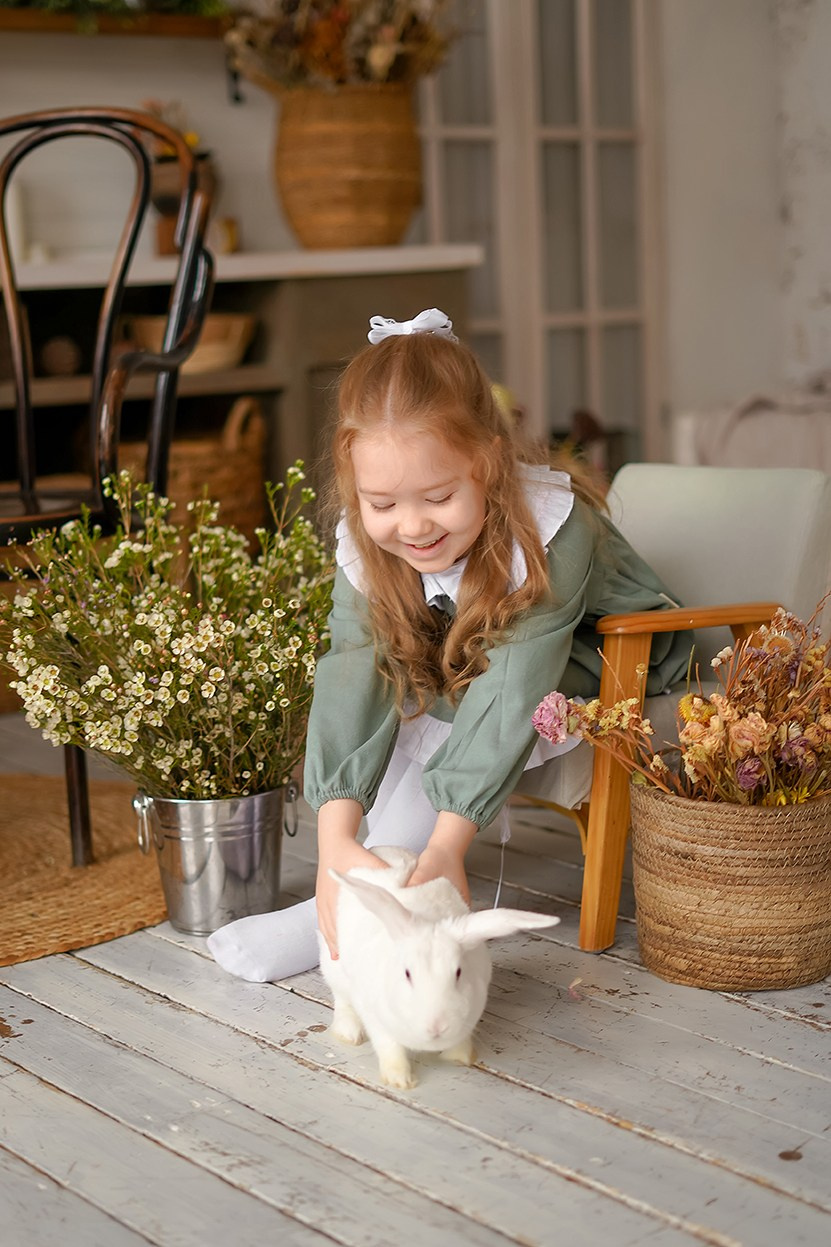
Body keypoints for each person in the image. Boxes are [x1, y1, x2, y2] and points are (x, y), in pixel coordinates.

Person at [207, 308, 690, 983]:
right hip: (472, 656)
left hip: (607, 655)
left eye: (437, 496)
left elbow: (516, 679)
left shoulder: (553, 529)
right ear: (355, 485)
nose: (411, 525)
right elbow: (353, 670)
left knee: (451, 685)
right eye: (381, 504)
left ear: (487, 464)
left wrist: (450, 839)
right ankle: (357, 879)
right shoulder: (373, 544)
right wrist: (332, 839)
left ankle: (367, 899)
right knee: (404, 671)